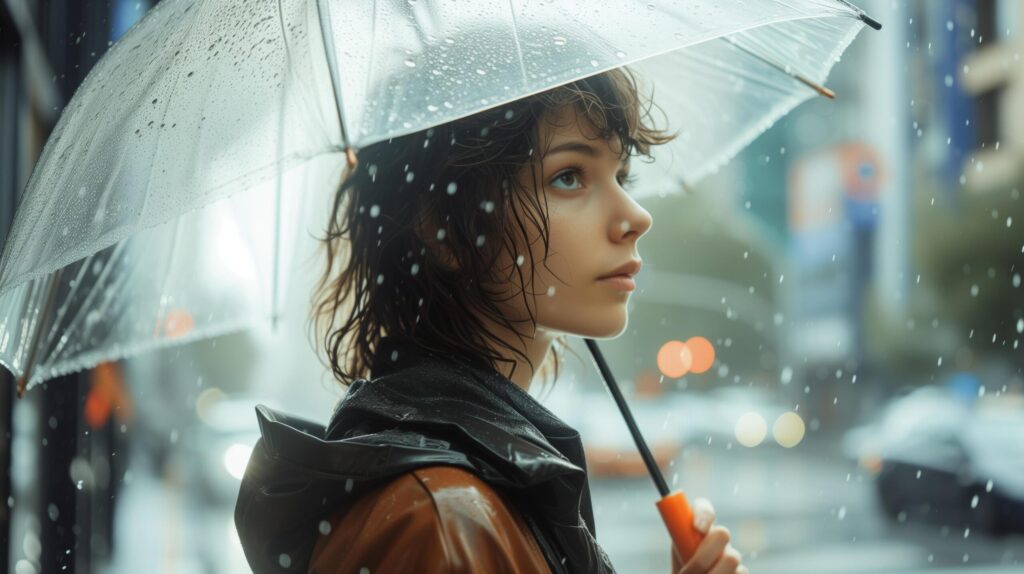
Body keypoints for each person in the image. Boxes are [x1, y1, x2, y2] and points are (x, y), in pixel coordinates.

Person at [234, 66, 747, 574]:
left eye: (621, 176)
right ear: (443, 229)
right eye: (569, 176)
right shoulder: (444, 523)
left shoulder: (471, 489)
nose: (637, 216)